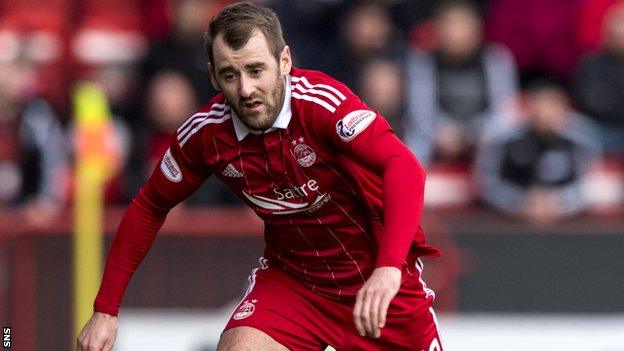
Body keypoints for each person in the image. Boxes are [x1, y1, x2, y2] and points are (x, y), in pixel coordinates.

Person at [77, 3, 442, 350]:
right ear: (213, 76)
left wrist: (389, 268)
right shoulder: (205, 135)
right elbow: (149, 205)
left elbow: (404, 167)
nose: (246, 89)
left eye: (256, 70)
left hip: (377, 281)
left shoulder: (321, 105)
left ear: (284, 61)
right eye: (230, 75)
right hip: (295, 284)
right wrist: (106, 309)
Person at [403, 0, 517, 166]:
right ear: (437, 30)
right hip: (438, 137)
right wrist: (442, 133)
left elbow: (506, 112)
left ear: (477, 28)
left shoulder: (496, 60)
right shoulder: (422, 62)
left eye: (462, 24)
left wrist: (474, 135)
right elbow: (420, 114)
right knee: (412, 144)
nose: (456, 33)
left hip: (486, 138)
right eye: (449, 25)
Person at [475, 78, 601, 225]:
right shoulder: (503, 136)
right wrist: (520, 202)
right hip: (510, 218)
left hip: (567, 220)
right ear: (528, 108)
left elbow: (593, 182)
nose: (545, 114)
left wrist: (559, 202)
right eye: (540, 106)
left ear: (565, 109)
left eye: (552, 106)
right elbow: (485, 181)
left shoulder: (581, 137)